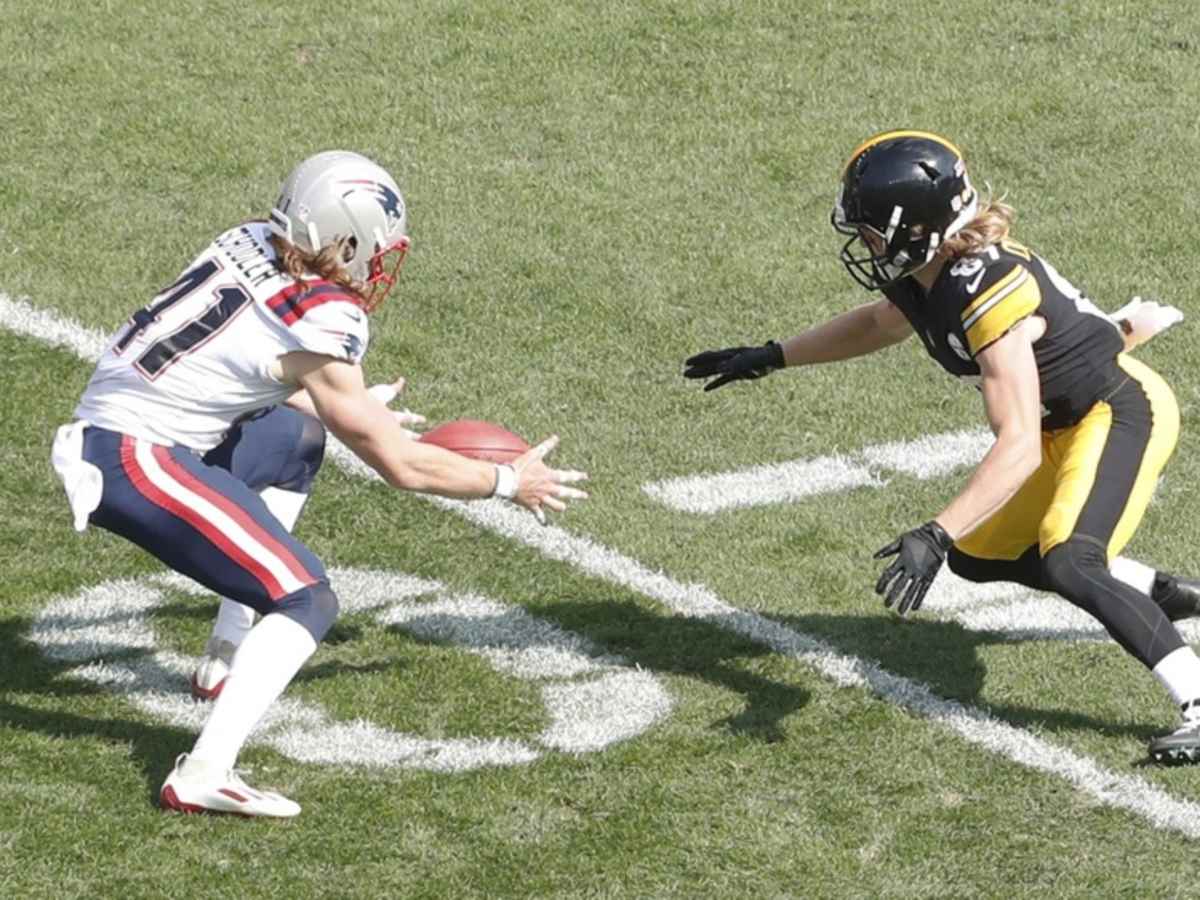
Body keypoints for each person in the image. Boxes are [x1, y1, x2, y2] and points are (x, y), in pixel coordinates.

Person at [50, 150, 588, 817]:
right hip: (138, 456)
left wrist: (343, 408)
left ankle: (224, 658)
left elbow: (244, 363)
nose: (380, 262)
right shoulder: (324, 315)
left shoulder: (247, 238)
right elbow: (403, 465)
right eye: (376, 247)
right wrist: (507, 481)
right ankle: (204, 773)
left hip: (127, 419)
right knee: (306, 596)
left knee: (297, 441)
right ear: (347, 236)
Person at [684, 129, 1200, 764]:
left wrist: (934, 532)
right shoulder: (933, 270)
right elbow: (879, 323)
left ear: (918, 227)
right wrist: (775, 355)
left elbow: (1016, 447)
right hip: (1065, 418)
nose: (867, 243)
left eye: (875, 230)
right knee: (983, 554)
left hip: (1118, 411)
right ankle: (1165, 593)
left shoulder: (983, 289)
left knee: (1070, 560)